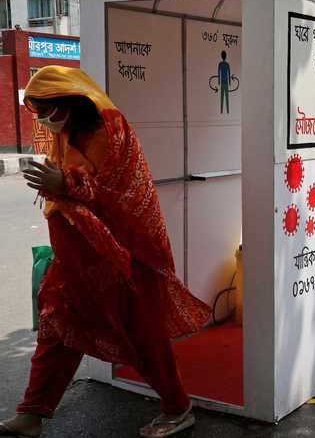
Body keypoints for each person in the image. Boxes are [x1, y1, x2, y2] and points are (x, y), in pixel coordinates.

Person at [2, 66, 211, 438]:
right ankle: (31, 414)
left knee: (142, 336)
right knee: (56, 328)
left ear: (71, 101)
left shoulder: (109, 130)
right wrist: (59, 183)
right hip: (76, 259)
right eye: (40, 113)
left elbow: (113, 194)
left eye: (50, 110)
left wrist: (63, 182)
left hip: (122, 258)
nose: (47, 121)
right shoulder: (68, 133)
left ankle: (178, 409)